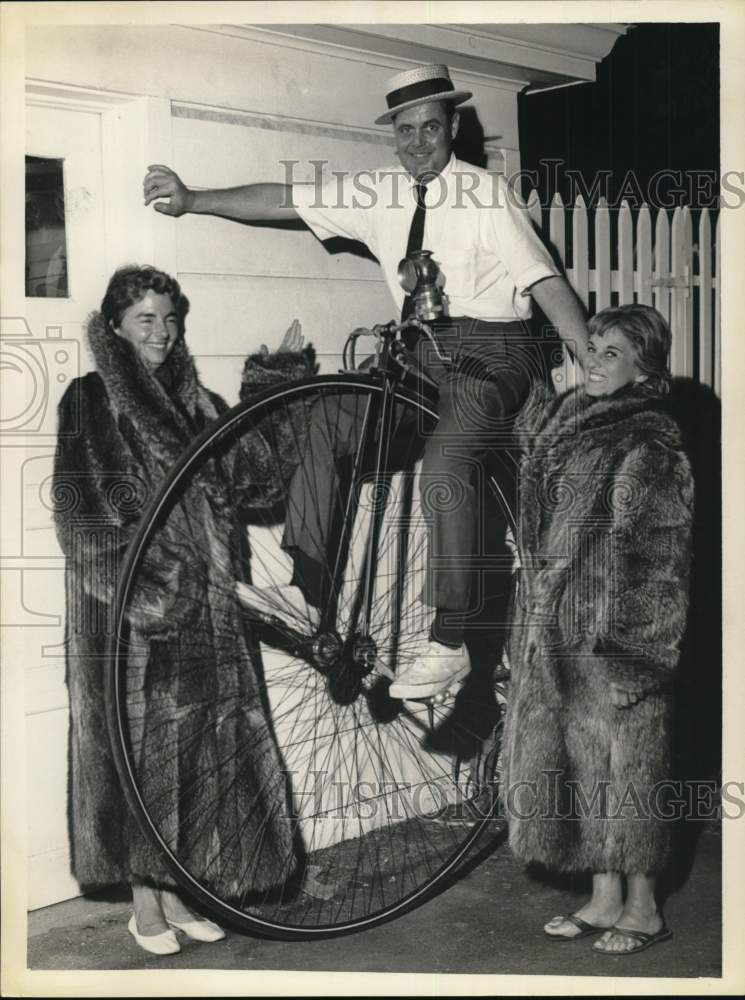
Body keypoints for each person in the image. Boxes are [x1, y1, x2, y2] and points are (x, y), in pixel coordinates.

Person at [142, 63, 590, 701]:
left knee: (445, 466)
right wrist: (193, 200)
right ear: (393, 135)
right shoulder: (378, 190)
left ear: (452, 127)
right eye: (405, 131)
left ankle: (450, 639)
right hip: (419, 356)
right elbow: (283, 199)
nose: (417, 143)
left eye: (429, 128)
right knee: (325, 421)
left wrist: (593, 364)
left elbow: (545, 282)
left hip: (493, 352)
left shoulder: (486, 195)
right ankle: (308, 587)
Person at [52, 265, 311, 955]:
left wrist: (274, 385)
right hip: (133, 615)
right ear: (114, 326)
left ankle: (175, 892)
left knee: (196, 758)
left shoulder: (199, 404)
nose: (161, 334)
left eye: (169, 319)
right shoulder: (90, 400)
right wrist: (153, 593)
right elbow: (81, 515)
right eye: (145, 320)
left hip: (206, 615)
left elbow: (258, 483)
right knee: (141, 754)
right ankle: (145, 905)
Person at [502, 304, 694, 955]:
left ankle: (642, 909)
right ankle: (603, 896)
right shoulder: (565, 427)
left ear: (644, 369)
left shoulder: (646, 445)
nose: (594, 359)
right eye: (593, 347)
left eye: (612, 352)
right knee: (584, 769)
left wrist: (636, 658)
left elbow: (660, 559)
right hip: (560, 638)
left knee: (628, 774)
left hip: (615, 642)